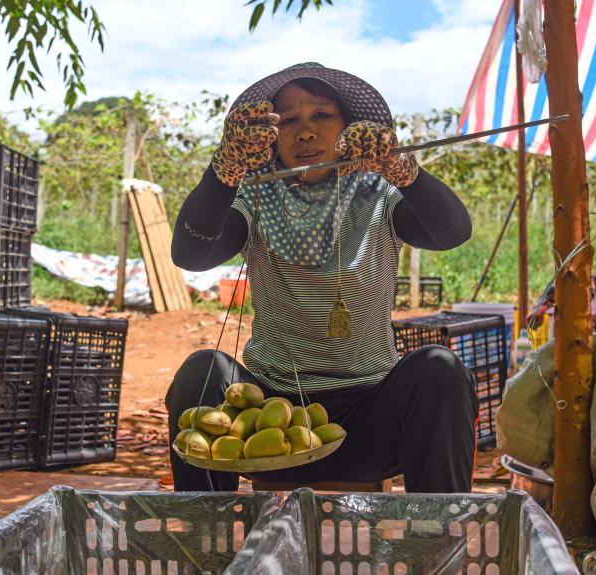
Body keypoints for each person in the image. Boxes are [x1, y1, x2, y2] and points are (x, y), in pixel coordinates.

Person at [167, 63, 476, 493]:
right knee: (200, 372)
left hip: (368, 423)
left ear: (348, 127)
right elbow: (191, 253)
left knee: (441, 371)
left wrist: (400, 167)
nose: (305, 132)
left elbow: (452, 231)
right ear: (270, 137)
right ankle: (203, 545)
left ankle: (439, 539)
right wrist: (226, 167)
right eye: (288, 121)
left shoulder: (379, 193)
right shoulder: (254, 196)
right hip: (265, 423)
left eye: (321, 116)